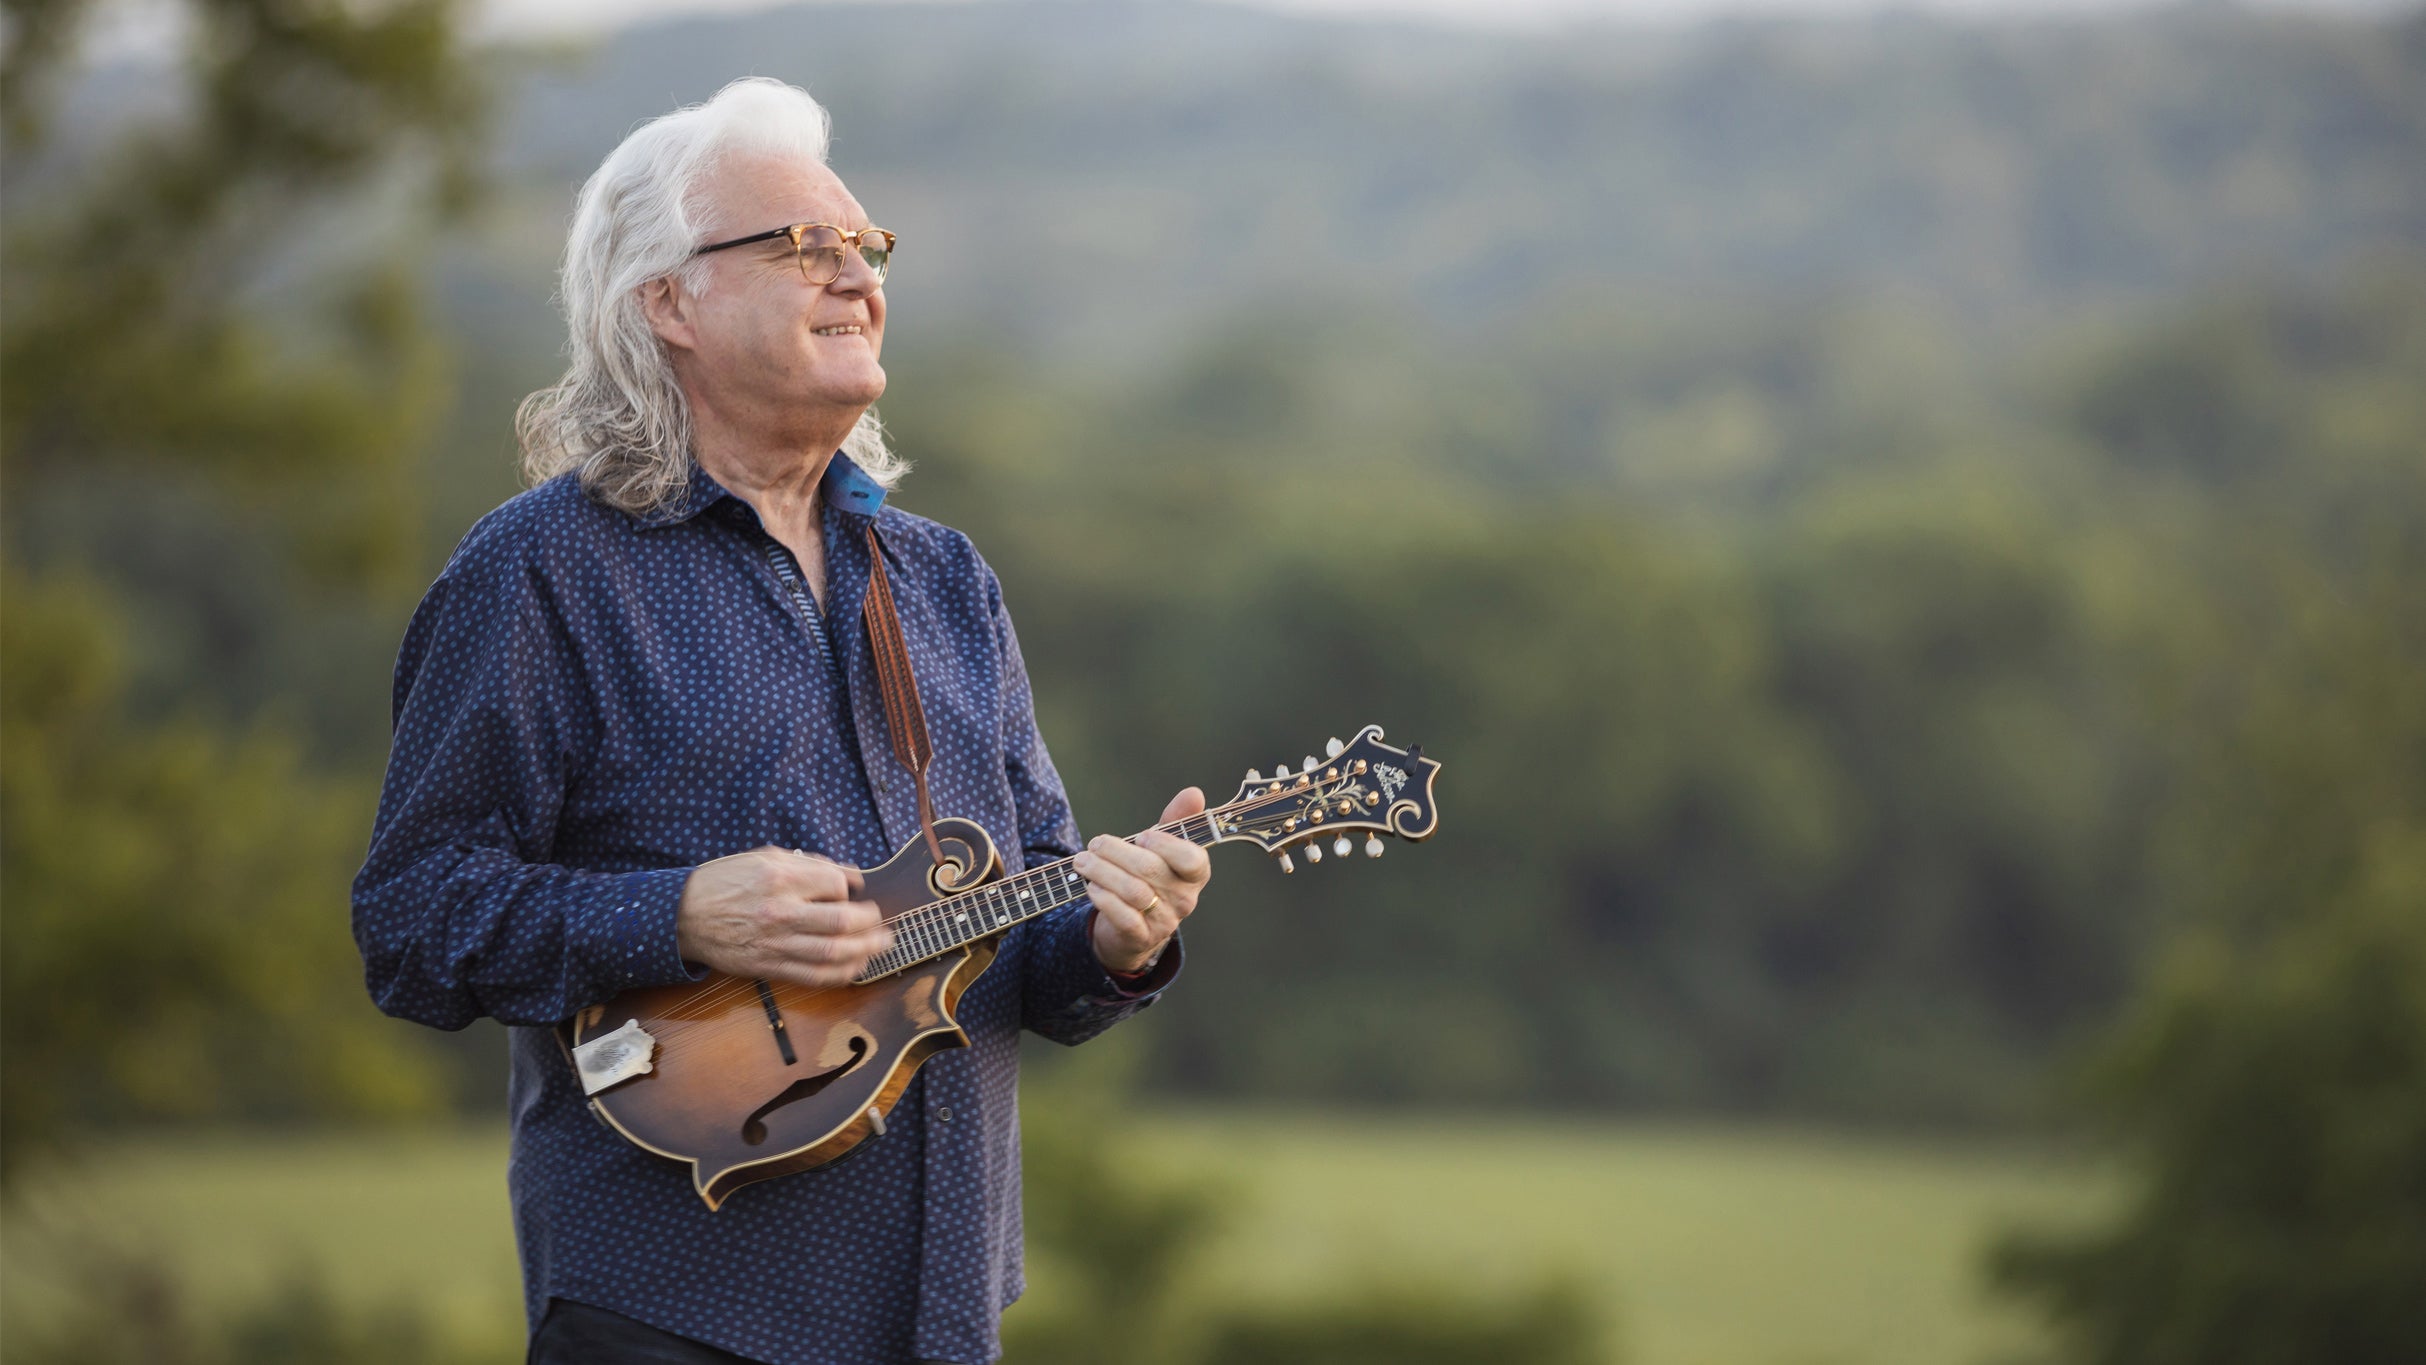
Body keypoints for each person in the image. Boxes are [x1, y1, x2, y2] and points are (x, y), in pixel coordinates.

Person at [351, 77, 1211, 1365]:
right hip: (671, 1309)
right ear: (668, 301)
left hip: (943, 1310)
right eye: (806, 244)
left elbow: (1021, 938)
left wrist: (1115, 941)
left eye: (868, 245)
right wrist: (678, 915)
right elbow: (412, 923)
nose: (858, 275)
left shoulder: (945, 580)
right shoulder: (539, 573)